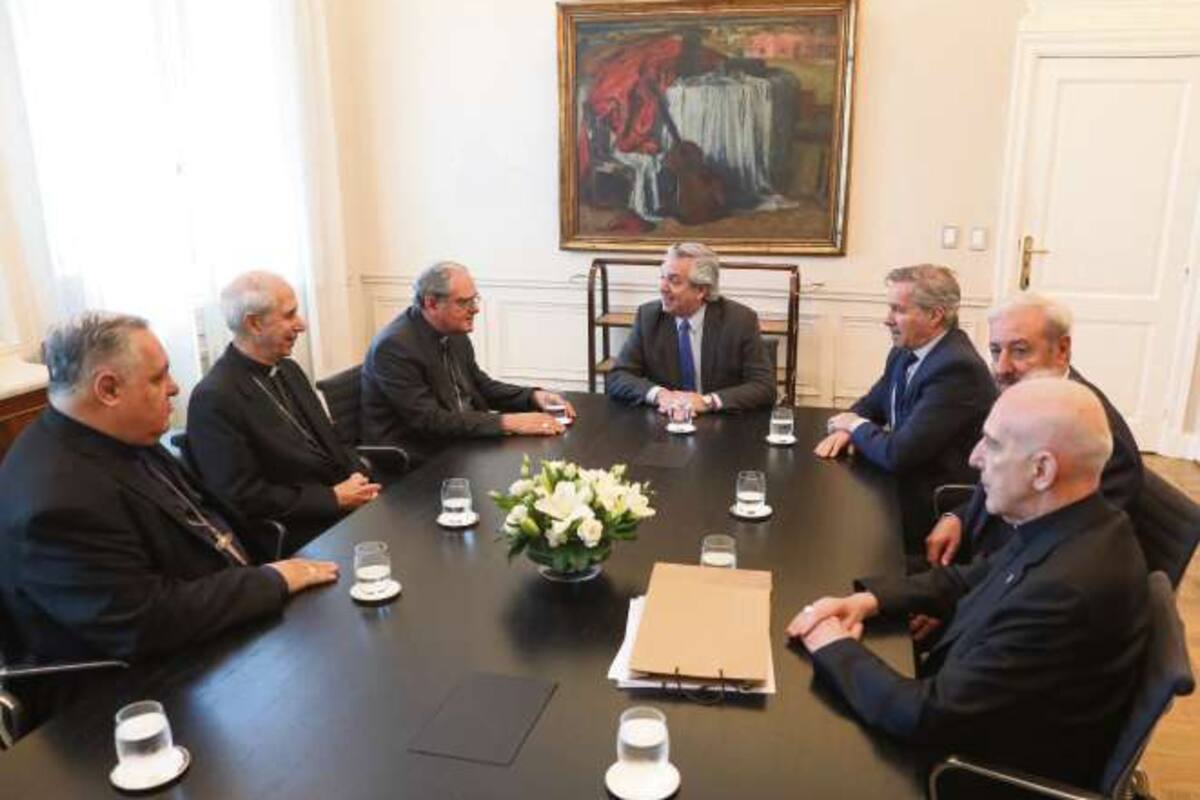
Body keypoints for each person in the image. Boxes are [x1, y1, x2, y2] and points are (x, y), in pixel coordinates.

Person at [788, 378, 1148, 789]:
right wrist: (871, 601)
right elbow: (975, 576)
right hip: (980, 719)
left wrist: (834, 646)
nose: (975, 458)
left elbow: (927, 717)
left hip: (978, 776)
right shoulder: (1076, 524)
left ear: (1043, 470)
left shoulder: (1067, 589)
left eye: (992, 445)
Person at [0, 312, 338, 725]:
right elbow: (146, 621)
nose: (175, 388)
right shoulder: (55, 500)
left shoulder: (115, 432)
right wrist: (274, 579)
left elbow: (203, 517)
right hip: (132, 701)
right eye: (159, 379)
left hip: (213, 631)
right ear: (108, 389)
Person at [925, 292, 1143, 566]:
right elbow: (1004, 482)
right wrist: (959, 516)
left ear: (1062, 350)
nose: (1001, 367)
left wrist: (953, 600)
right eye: (995, 350)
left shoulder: (1094, 436)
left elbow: (1053, 554)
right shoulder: (1027, 397)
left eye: (1020, 351)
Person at [187, 272, 379, 557]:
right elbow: (243, 496)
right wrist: (332, 498)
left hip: (346, 504)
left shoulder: (288, 369)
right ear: (254, 323)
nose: (300, 325)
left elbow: (331, 440)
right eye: (289, 316)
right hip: (299, 529)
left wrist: (359, 477)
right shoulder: (214, 397)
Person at [813, 264, 995, 548]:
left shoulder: (957, 368)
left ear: (935, 315)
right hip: (900, 484)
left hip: (932, 504)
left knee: (829, 529)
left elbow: (899, 453)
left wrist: (854, 425)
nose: (887, 320)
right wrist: (850, 428)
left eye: (898, 310)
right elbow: (873, 402)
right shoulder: (904, 351)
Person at [360, 261, 574, 462]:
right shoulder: (394, 347)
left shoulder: (452, 330)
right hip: (421, 457)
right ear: (431, 303)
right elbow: (430, 420)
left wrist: (533, 397)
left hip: (460, 441)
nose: (475, 309)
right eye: (463, 302)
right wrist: (509, 422)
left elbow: (481, 386)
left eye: (474, 299)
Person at [606, 242, 775, 414]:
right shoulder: (649, 317)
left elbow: (764, 387)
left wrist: (708, 402)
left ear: (701, 290)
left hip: (722, 426)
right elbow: (618, 377)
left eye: (674, 280)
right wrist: (660, 395)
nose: (662, 287)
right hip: (665, 424)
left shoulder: (739, 320)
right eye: (662, 277)